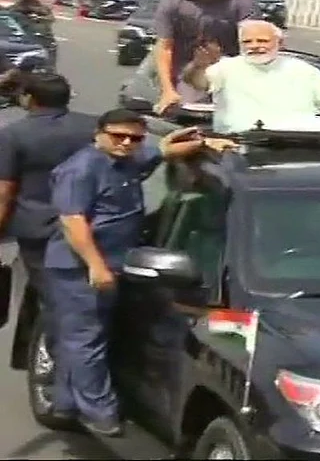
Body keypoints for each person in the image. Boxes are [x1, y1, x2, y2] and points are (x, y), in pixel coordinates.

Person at [44, 109, 237, 436]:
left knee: (85, 338)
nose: (126, 142)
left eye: (134, 138)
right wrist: (96, 266)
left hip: (115, 263)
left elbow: (164, 150)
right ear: (99, 134)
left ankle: (65, 403)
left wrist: (204, 142)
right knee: (85, 340)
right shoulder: (81, 169)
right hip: (81, 269)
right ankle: (100, 412)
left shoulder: (128, 160)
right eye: (118, 136)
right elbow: (73, 223)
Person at [0, 74, 95, 358]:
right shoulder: (92, 127)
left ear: (30, 98)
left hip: (37, 230)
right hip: (88, 224)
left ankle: (59, 358)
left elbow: (5, 192)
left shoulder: (15, 134)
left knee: (52, 296)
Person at [182, 20, 320, 132]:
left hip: (294, 142)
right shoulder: (226, 67)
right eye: (248, 42)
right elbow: (197, 82)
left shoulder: (302, 70)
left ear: (279, 43)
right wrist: (198, 66)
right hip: (240, 145)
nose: (255, 46)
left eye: (262, 41)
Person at [152, 0, 261, 114]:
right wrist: (167, 90)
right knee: (186, 115)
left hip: (231, 74)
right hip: (187, 75)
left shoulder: (243, 2)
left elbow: (254, 45)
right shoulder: (173, 0)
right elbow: (164, 47)